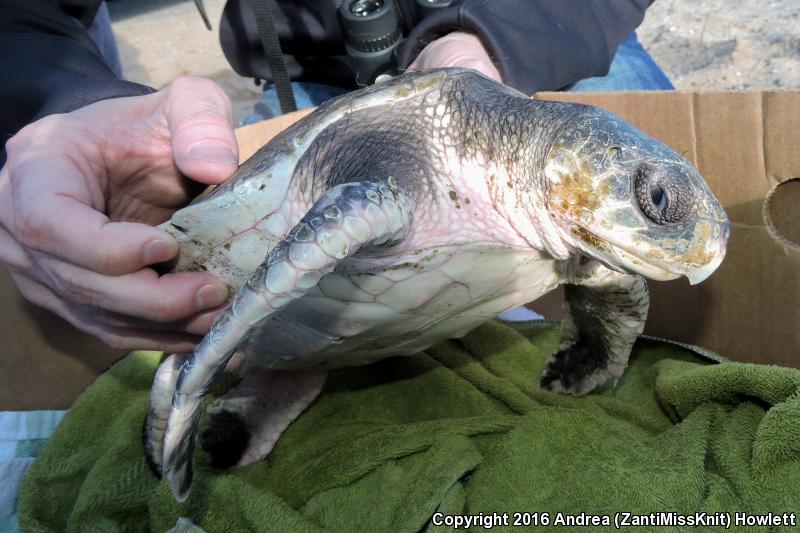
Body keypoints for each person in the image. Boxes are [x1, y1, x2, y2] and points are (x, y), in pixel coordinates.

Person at [0, 0, 670, 352]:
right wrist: (64, 101)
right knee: (177, 276)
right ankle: (262, 380)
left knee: (631, 272)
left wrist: (486, 44)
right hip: (312, 73)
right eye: (659, 201)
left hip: (535, 30)